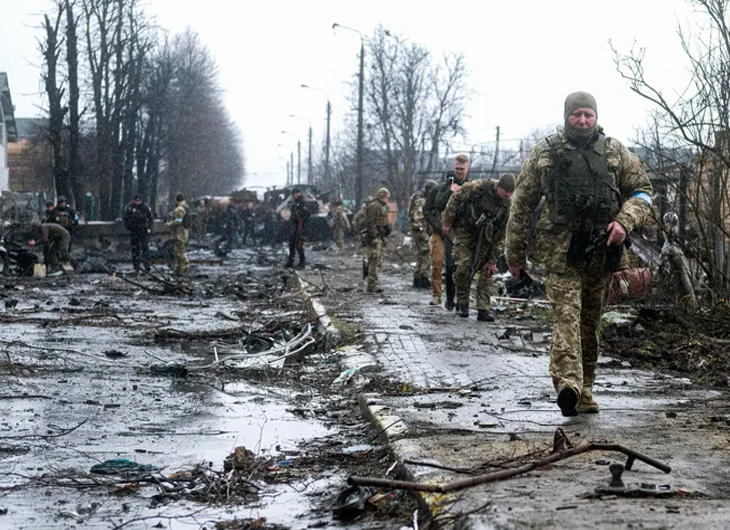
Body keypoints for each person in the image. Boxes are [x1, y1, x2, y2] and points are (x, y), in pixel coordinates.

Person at [506, 91, 653, 416]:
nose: (583, 121)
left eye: (588, 115)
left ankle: (585, 391)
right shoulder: (546, 152)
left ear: (596, 117)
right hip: (560, 254)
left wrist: (624, 222)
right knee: (568, 316)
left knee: (590, 324)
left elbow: (644, 192)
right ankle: (568, 385)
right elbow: (521, 204)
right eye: (577, 115)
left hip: (602, 253)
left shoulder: (615, 152)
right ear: (566, 117)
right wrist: (514, 255)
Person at [442, 173, 515, 321]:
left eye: (510, 192)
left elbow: (502, 235)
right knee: (463, 267)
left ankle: (483, 308)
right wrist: (447, 222)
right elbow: (455, 198)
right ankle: (462, 302)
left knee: (487, 272)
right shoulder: (478, 188)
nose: (507, 194)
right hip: (465, 232)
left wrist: (493, 259)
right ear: (498, 187)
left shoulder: (507, 206)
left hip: (488, 239)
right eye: (505, 191)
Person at [423, 154, 470, 309]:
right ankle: (438, 295)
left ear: (467, 168)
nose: (459, 172)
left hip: (460, 234)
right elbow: (430, 208)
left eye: (462, 169)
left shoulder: (471, 187)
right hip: (440, 232)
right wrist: (437, 226)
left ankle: (455, 298)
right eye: (457, 168)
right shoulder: (442, 188)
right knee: (437, 263)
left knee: (455, 267)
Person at [408, 180, 438, 288]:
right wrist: (422, 231)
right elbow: (418, 218)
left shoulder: (419, 199)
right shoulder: (421, 201)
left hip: (418, 230)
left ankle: (418, 277)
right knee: (426, 253)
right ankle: (423, 277)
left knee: (421, 254)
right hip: (419, 230)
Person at [361, 187, 391, 293]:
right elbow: (369, 223)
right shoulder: (375, 206)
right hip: (374, 238)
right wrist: (374, 236)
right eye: (387, 197)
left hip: (378, 237)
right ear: (382, 197)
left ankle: (373, 283)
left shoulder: (379, 207)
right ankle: (373, 284)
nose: (388, 199)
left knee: (377, 262)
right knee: (373, 261)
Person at [123, 194, 154, 273]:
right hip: (134, 230)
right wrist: (129, 228)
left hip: (143, 230)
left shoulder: (145, 207)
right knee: (135, 249)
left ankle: (147, 265)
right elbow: (125, 218)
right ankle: (136, 266)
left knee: (145, 248)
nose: (137, 202)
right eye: (136, 201)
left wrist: (149, 228)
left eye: (139, 201)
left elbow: (150, 218)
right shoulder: (130, 207)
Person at [285, 189, 311, 268]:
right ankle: (291, 261)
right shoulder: (294, 203)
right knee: (291, 244)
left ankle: (302, 262)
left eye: (297, 193)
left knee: (299, 244)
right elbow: (292, 214)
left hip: (300, 225)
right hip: (294, 225)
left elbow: (307, 214)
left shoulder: (303, 203)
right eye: (294, 193)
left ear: (300, 193)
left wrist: (301, 215)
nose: (296, 195)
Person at [166, 193, 190, 277]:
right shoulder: (185, 207)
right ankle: (178, 270)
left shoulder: (179, 209)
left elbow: (178, 221)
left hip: (180, 233)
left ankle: (185, 266)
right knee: (177, 252)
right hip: (183, 232)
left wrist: (169, 224)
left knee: (180, 251)